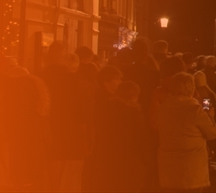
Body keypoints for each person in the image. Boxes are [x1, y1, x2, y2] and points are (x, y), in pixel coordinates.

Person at [82, 68, 149, 192]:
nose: (119, 81)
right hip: (122, 158)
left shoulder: (107, 103)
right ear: (106, 82)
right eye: (117, 79)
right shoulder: (107, 103)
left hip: (107, 156)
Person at [155, 72, 216, 190]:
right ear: (191, 88)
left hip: (169, 165)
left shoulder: (163, 107)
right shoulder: (195, 110)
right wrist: (210, 116)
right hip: (191, 167)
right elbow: (212, 133)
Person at [42, 50, 90, 192]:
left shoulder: (48, 82)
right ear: (76, 66)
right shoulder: (80, 84)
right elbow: (84, 114)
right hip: (72, 140)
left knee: (52, 178)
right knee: (70, 180)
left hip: (51, 137)